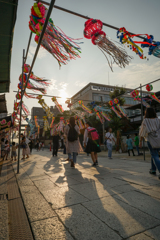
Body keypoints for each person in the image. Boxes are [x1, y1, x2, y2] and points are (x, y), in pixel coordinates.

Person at [139, 107, 160, 179]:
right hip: (158, 140)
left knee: (155, 155)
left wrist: (140, 141)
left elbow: (142, 132)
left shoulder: (146, 120)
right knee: (154, 155)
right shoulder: (158, 120)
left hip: (150, 140)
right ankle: (153, 170)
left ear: (146, 112)